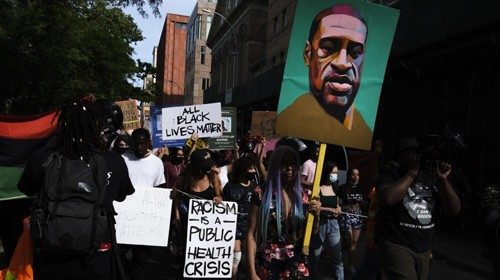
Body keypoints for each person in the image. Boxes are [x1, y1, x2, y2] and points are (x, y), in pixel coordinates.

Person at [18, 100, 133, 280]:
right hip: (95, 255)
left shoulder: (44, 156)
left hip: (49, 251)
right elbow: (122, 195)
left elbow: (26, 189)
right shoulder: (111, 160)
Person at [276, 4, 372, 150]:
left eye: (355, 52)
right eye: (328, 47)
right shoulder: (287, 123)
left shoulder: (364, 134)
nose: (342, 63)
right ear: (308, 54)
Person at [376, 137, 461, 280]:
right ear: (399, 157)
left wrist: (443, 179)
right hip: (397, 244)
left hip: (423, 249)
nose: (413, 157)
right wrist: (412, 173)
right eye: (408, 154)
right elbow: (387, 198)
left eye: (416, 154)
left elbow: (455, 209)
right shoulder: (390, 173)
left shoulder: (429, 176)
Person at [246, 145, 321, 280]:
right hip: (268, 267)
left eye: (293, 163)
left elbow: (311, 236)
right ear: (275, 165)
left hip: (296, 266)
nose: (289, 168)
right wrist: (252, 272)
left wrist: (316, 218)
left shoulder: (304, 197)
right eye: (284, 164)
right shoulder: (261, 194)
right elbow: (251, 234)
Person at [120, 128, 166, 280]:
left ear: (148, 143)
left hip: (146, 223)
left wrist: (168, 197)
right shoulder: (123, 159)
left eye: (142, 144)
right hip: (124, 221)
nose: (139, 147)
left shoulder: (157, 163)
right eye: (136, 144)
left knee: (141, 260)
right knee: (120, 256)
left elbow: (160, 189)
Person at [173, 149, 222, 278]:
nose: (206, 170)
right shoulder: (184, 179)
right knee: (187, 259)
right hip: (188, 226)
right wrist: (177, 216)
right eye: (203, 167)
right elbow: (176, 198)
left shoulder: (212, 176)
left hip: (207, 228)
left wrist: (218, 198)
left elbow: (219, 195)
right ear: (194, 166)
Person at [223, 156, 260, 279]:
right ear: (242, 170)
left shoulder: (256, 187)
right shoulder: (230, 186)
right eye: (250, 168)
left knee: (249, 258)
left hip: (251, 226)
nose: (253, 171)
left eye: (254, 168)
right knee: (236, 256)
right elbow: (224, 207)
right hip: (234, 226)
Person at [310, 162, 344, 280]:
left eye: (336, 173)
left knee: (337, 258)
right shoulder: (317, 188)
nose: (335, 175)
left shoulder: (335, 187)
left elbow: (337, 204)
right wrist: (330, 209)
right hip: (320, 224)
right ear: (327, 172)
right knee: (315, 257)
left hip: (333, 225)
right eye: (333, 172)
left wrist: (338, 208)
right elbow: (313, 206)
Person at [338, 167, 365, 274]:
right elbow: (338, 203)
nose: (355, 177)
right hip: (346, 215)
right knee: (348, 240)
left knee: (354, 242)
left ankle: (350, 264)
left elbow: (364, 203)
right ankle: (337, 255)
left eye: (357, 175)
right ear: (349, 175)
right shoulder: (342, 188)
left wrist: (362, 202)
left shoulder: (361, 188)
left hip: (358, 215)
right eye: (353, 174)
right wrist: (344, 208)